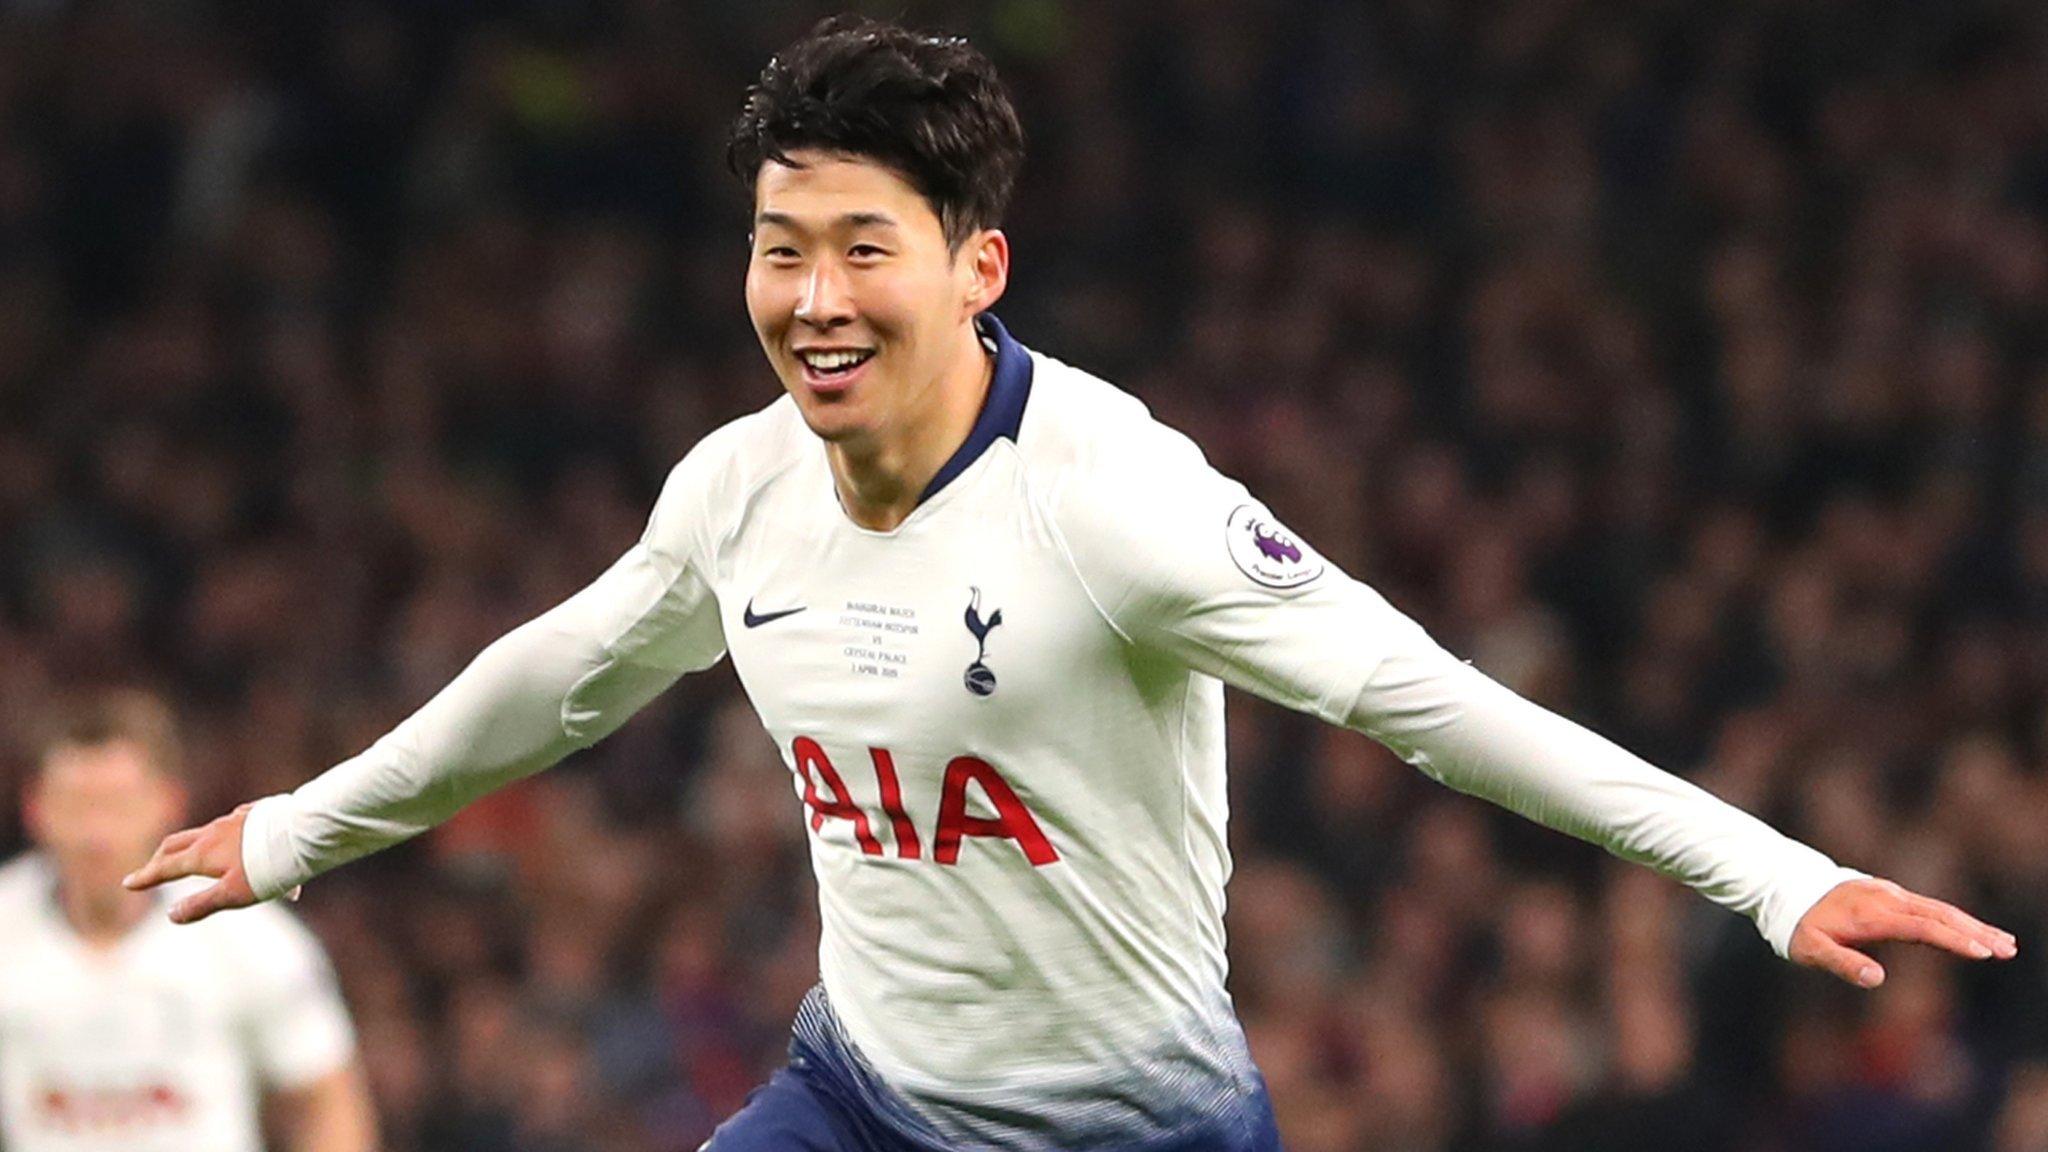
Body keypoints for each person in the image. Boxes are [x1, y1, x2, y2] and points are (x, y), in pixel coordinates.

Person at [126, 16, 2017, 1152]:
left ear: (977, 266)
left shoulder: (1118, 509)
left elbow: (1438, 706)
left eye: (862, 247)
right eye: (779, 247)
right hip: (856, 1096)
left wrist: (1767, 874)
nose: (808, 298)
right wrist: (296, 828)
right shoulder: (737, 486)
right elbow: (561, 675)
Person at [3, 689, 376, 1152]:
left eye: (118, 805)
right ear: (36, 809)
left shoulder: (248, 936)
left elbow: (327, 1099)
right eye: (78, 805)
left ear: (167, 803)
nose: (96, 834)